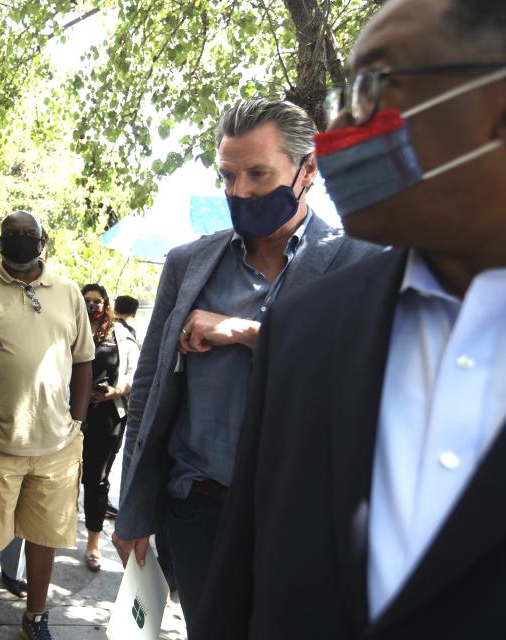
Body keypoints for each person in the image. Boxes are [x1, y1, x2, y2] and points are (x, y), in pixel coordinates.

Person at [193, 1, 506, 638]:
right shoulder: (307, 327)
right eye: (343, 94)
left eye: (376, 85)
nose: (342, 127)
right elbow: (240, 580)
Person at [111, 97, 382, 631]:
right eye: (228, 175)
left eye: (258, 174)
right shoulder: (189, 264)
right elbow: (149, 389)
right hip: (198, 514)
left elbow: (364, 378)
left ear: (308, 169)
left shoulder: (360, 261)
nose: (239, 192)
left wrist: (249, 333)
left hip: (304, 520)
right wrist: (134, 507)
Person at [0, 211, 94, 640]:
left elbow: (83, 358)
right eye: (11, 236)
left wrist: (78, 421)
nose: (19, 241)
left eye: (27, 235)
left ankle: (35, 618)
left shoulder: (68, 292)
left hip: (56, 446)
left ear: (43, 240)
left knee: (43, 538)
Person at [79, 283, 138, 572]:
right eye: (86, 300)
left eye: (97, 301)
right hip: (68, 414)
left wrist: (115, 391)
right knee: (59, 479)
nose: (92, 305)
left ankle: (93, 544)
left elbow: (132, 374)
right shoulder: (70, 327)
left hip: (107, 418)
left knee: (96, 481)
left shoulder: (122, 334)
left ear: (106, 303)